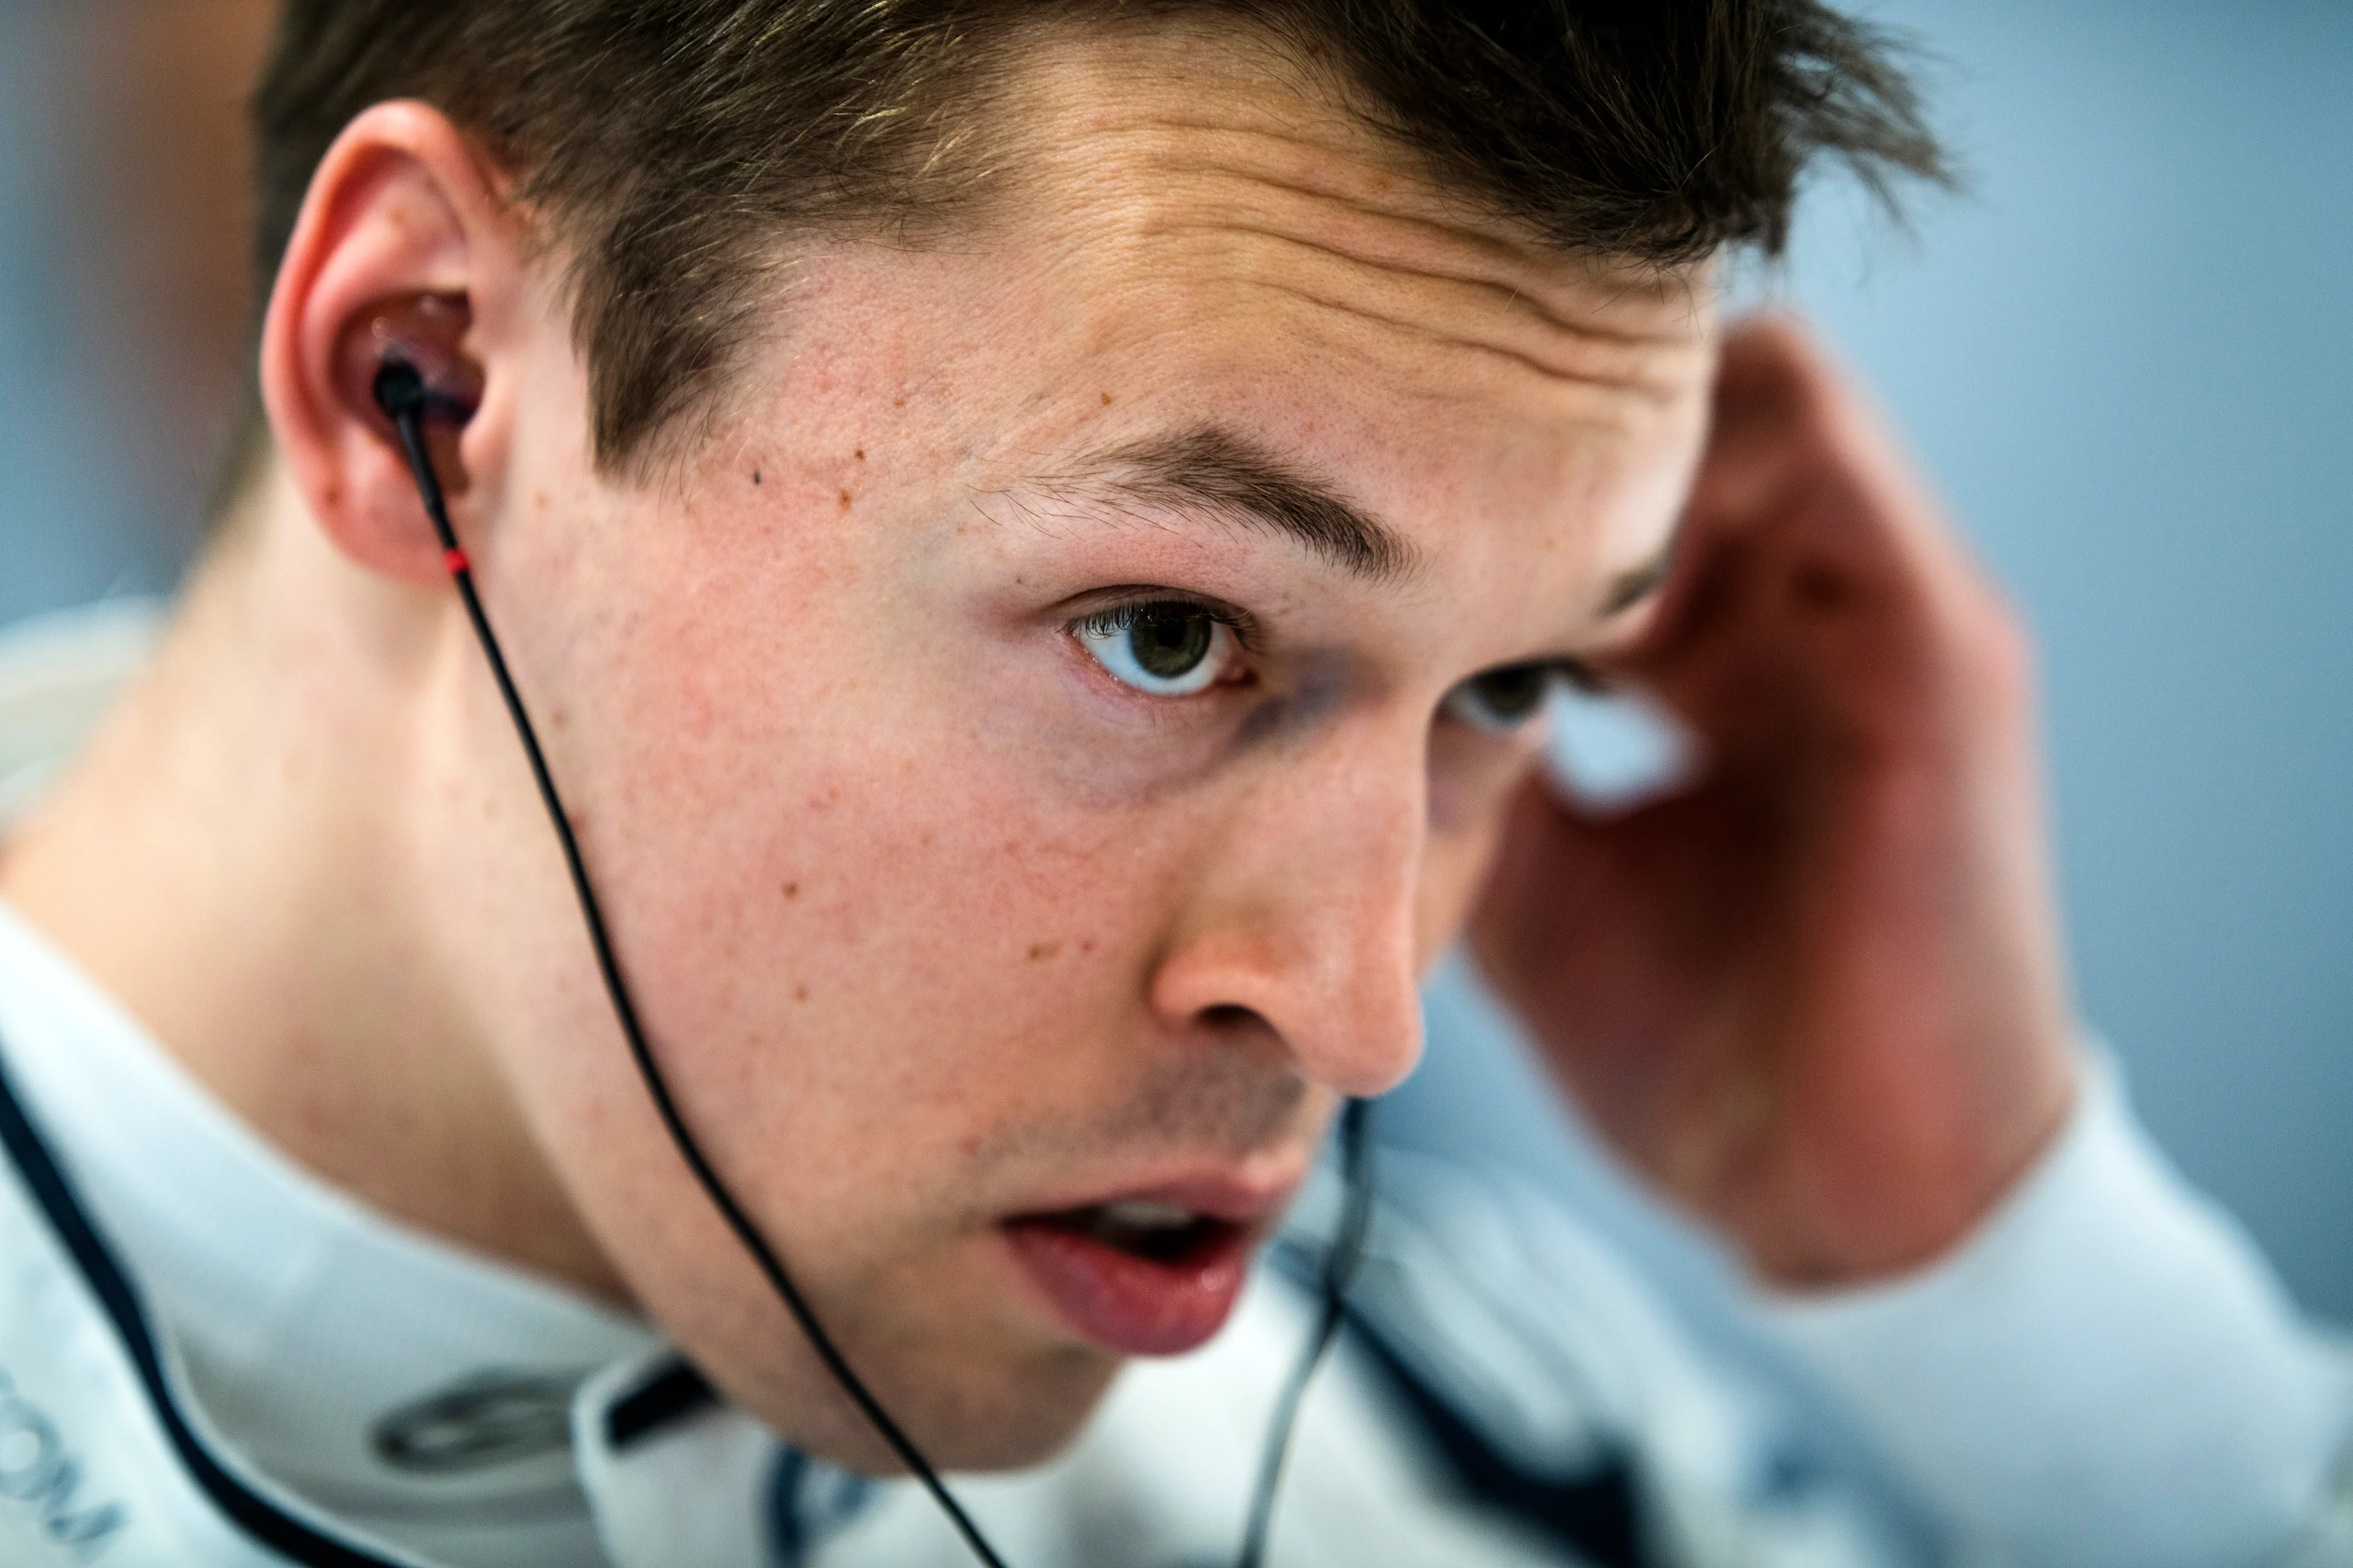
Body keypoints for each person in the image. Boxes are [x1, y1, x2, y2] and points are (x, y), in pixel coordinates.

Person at [0, 3, 2344, 1565]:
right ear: (420, 377)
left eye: (1515, 681)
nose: (1361, 1012)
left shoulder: (1402, 1402)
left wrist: (1997, 1264)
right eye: (1170, 635)